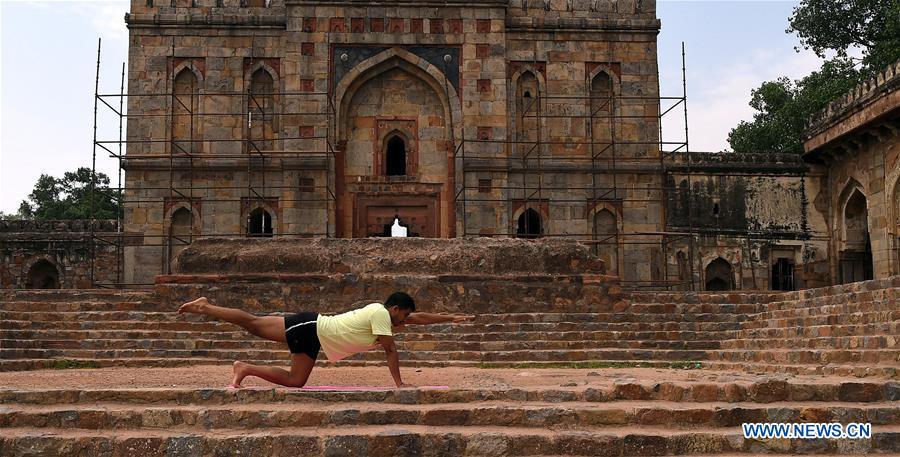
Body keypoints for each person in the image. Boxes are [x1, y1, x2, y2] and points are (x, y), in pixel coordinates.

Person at [177, 291, 474, 388]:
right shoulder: (382, 315)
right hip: (310, 327)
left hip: (316, 337)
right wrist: (399, 384)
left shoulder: (386, 314)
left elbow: (417, 318)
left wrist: (451, 318)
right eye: (403, 315)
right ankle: (205, 307)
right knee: (254, 324)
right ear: (395, 309)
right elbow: (391, 350)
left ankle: (244, 369)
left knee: (296, 381)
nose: (404, 321)